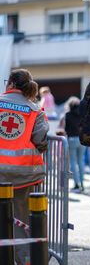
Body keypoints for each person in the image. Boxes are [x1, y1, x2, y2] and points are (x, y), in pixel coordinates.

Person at [0, 68, 49, 265]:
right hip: (22, 176)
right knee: (21, 223)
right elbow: (41, 139)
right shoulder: (35, 109)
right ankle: (24, 260)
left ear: (10, 84)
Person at [64, 97, 85, 192]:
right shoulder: (82, 114)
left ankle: (76, 184)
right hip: (82, 139)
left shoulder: (68, 115)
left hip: (72, 139)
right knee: (81, 162)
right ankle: (82, 183)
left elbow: (66, 129)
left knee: (73, 162)